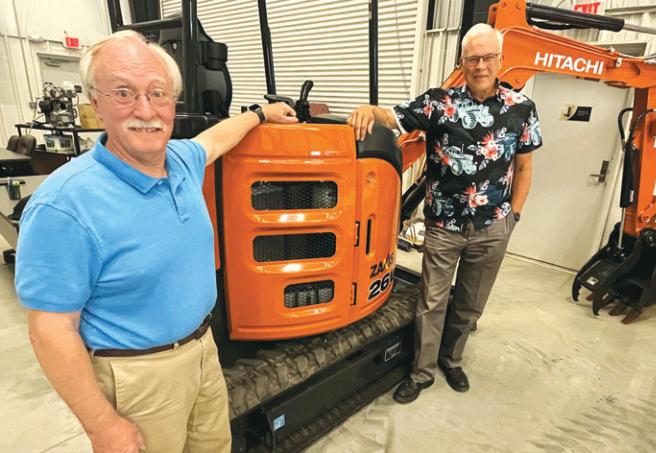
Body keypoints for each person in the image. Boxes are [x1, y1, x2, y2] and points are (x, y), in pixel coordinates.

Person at [14, 30, 297, 452]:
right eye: (123, 93)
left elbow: (215, 139)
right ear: (95, 101)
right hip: (137, 377)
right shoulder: (64, 205)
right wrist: (103, 426)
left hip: (203, 352)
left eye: (157, 93)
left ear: (173, 101)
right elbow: (51, 330)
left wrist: (261, 113)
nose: (145, 110)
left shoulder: (181, 160)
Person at [348, 23, 542, 404]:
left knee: (470, 305)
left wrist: (512, 218)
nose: (481, 65)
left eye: (488, 57)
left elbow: (524, 168)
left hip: (493, 226)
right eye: (473, 58)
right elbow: (393, 116)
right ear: (462, 63)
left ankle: (452, 360)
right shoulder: (439, 103)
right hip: (442, 227)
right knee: (431, 303)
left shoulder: (521, 108)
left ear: (501, 60)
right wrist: (368, 110)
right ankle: (422, 373)